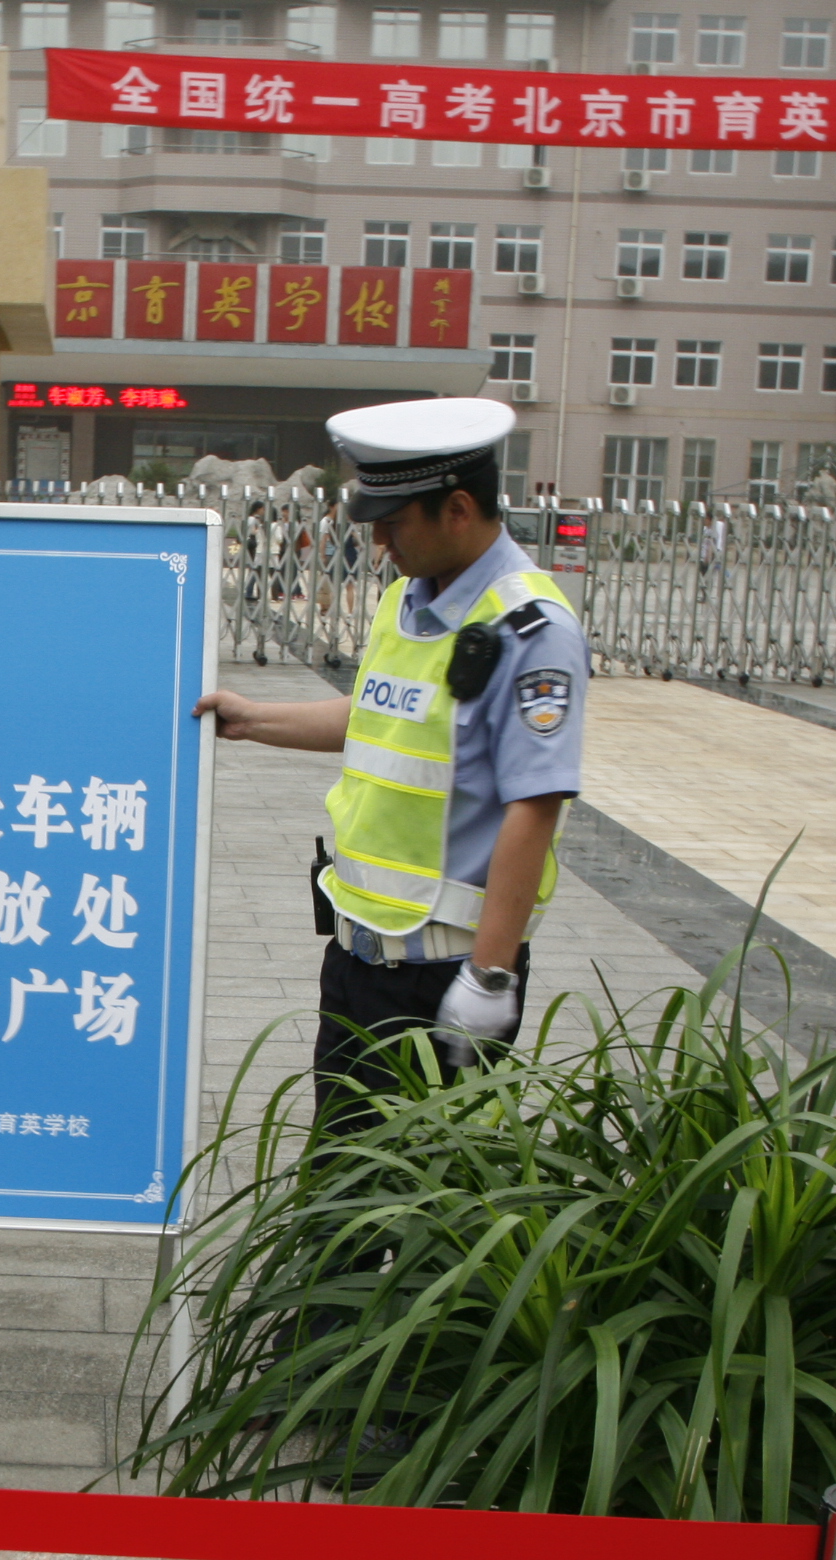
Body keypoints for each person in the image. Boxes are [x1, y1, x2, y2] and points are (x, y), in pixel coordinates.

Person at [194, 398, 586, 1113]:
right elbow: (372, 717)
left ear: (457, 510)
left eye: (395, 523)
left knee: (423, 1182)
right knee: (337, 1173)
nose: (380, 543)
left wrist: (490, 977)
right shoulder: (406, 600)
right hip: (357, 958)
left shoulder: (530, 630)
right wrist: (253, 720)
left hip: (443, 973)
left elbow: (536, 805)